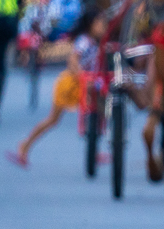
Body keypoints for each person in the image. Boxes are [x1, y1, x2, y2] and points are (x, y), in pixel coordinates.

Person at [8, 10, 106, 167]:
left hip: (87, 84)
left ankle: (94, 150)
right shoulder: (84, 41)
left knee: (96, 114)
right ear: (90, 25)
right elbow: (73, 60)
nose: (103, 26)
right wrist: (82, 77)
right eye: (99, 23)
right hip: (71, 84)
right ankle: (25, 145)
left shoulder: (97, 42)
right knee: (53, 119)